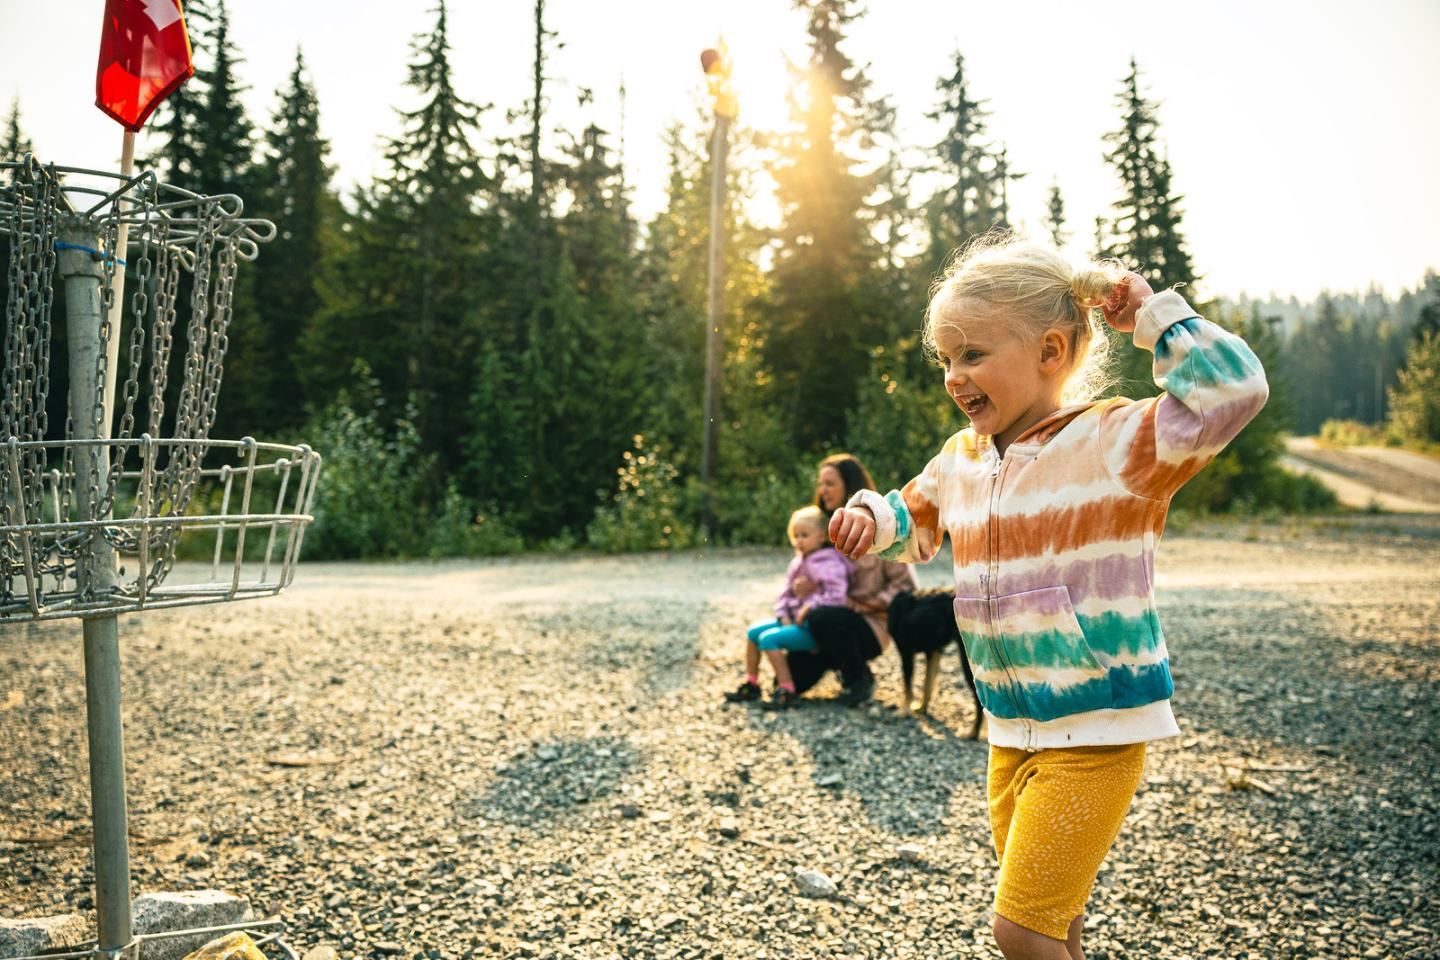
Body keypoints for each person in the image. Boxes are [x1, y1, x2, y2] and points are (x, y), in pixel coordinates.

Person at [828, 235, 1268, 960]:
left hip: (1098, 731)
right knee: (1055, 921)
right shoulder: (961, 460)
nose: (954, 377)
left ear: (1051, 352)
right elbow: (912, 520)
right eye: (946, 359)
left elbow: (1236, 390)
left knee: (1019, 930)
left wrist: (1152, 313)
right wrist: (869, 518)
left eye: (972, 355)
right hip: (1011, 729)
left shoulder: (1118, 443)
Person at [789, 454, 918, 705]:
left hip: (868, 626)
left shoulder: (881, 528)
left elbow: (905, 589)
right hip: (826, 618)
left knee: (822, 618)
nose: (822, 490)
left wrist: (859, 604)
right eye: (820, 484)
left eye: (829, 483)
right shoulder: (817, 529)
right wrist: (804, 588)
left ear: (848, 485)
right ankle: (835, 659)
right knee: (792, 679)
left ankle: (858, 676)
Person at [723, 506, 852, 710]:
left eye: (805, 535)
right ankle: (752, 683)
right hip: (791, 620)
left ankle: (787, 690)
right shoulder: (797, 563)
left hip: (810, 627)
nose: (799, 540)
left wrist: (810, 606)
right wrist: (782, 614)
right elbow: (784, 595)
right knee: (753, 633)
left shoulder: (830, 563)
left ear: (821, 536)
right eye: (796, 536)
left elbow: (837, 596)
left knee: (768, 640)